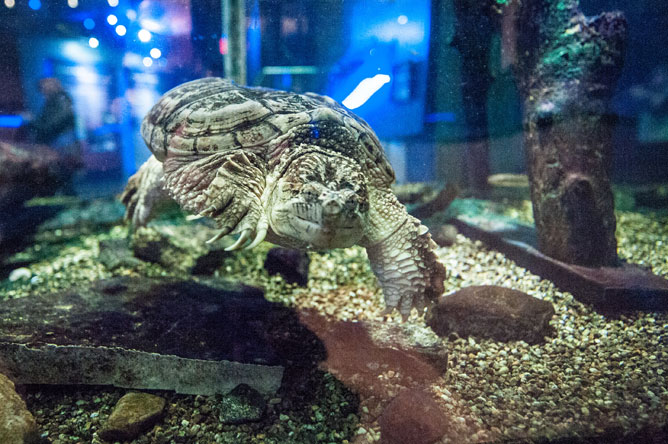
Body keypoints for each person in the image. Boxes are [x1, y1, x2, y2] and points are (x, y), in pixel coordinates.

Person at [26, 77, 81, 161]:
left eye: (45, 87)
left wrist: (32, 121)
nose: (43, 91)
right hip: (59, 143)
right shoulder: (53, 102)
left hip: (63, 144)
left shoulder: (61, 100)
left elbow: (53, 123)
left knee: (65, 167)